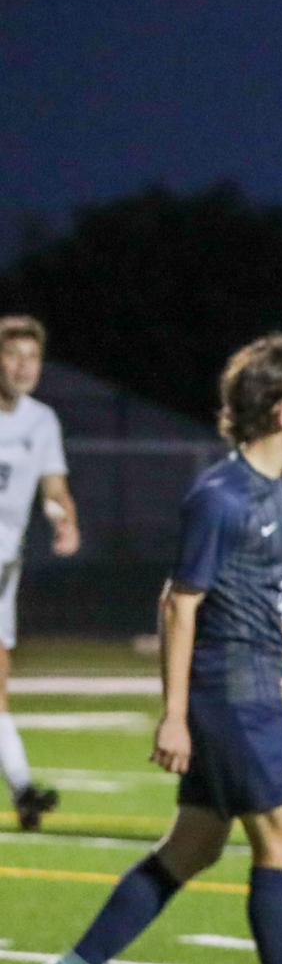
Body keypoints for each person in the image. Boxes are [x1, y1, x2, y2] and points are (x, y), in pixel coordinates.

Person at [35, 334, 282, 964]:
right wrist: (174, 715)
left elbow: (265, 599)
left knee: (194, 844)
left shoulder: (272, 491)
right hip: (229, 694)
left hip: (253, 686)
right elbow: (177, 603)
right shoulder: (220, 497)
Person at [0, 316, 80, 830]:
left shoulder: (42, 421)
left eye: (32, 356)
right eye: (13, 355)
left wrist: (65, 518)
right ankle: (24, 787)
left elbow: (54, 486)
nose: (24, 365)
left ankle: (24, 789)